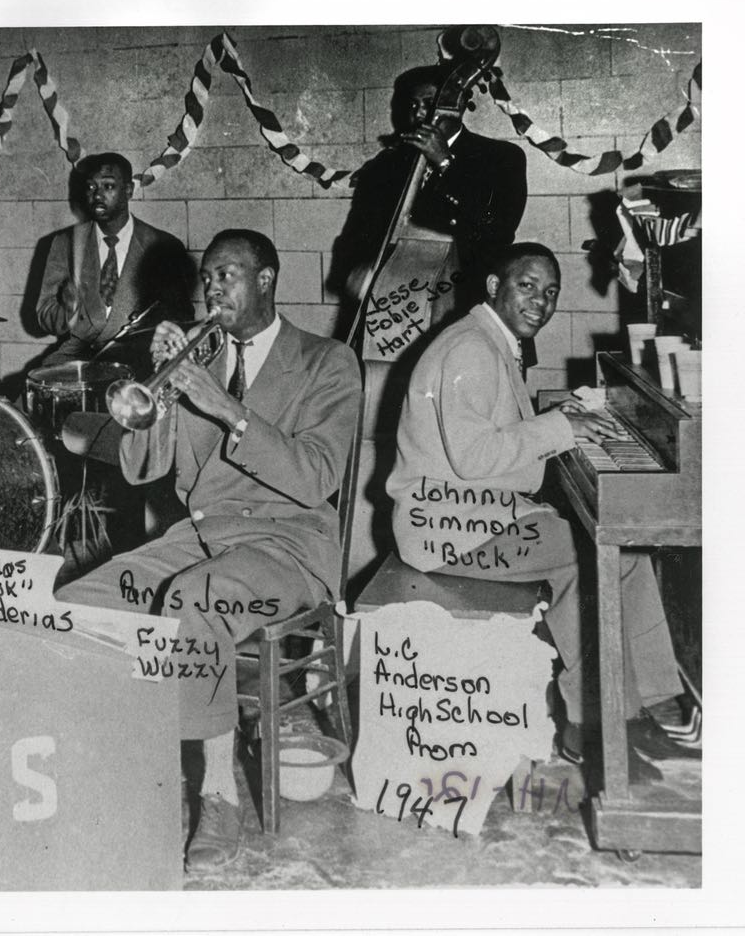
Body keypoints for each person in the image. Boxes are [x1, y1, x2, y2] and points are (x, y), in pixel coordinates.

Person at [57, 230, 361, 870]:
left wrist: (223, 406)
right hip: (200, 535)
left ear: (268, 279)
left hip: (290, 547)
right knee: (77, 602)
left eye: (230, 274)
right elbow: (141, 467)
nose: (214, 288)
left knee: (195, 600)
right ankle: (122, 762)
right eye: (209, 277)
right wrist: (159, 387)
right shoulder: (199, 360)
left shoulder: (326, 361)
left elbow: (314, 477)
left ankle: (219, 793)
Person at [386, 242, 694, 773]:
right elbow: (475, 456)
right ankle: (594, 727)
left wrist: (563, 424)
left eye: (550, 292)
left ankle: (651, 704)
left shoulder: (487, 338)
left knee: (626, 551)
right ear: (493, 287)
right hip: (446, 530)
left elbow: (496, 436)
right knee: (597, 551)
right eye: (526, 286)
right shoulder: (470, 349)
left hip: (469, 517)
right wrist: (561, 428)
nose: (541, 302)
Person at [330, 63, 528, 337]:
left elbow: (498, 228)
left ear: (456, 105)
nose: (418, 113)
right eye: (411, 104)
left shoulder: (502, 157)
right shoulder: (385, 165)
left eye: (428, 103)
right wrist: (355, 268)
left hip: (470, 311)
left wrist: (445, 163)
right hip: (396, 316)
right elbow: (355, 235)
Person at [35, 152, 195, 379]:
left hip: (140, 361)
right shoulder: (65, 243)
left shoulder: (164, 246)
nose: (97, 195)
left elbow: (182, 317)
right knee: (26, 400)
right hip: (78, 358)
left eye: (108, 186)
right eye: (91, 187)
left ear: (128, 190)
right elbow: (45, 317)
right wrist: (67, 309)